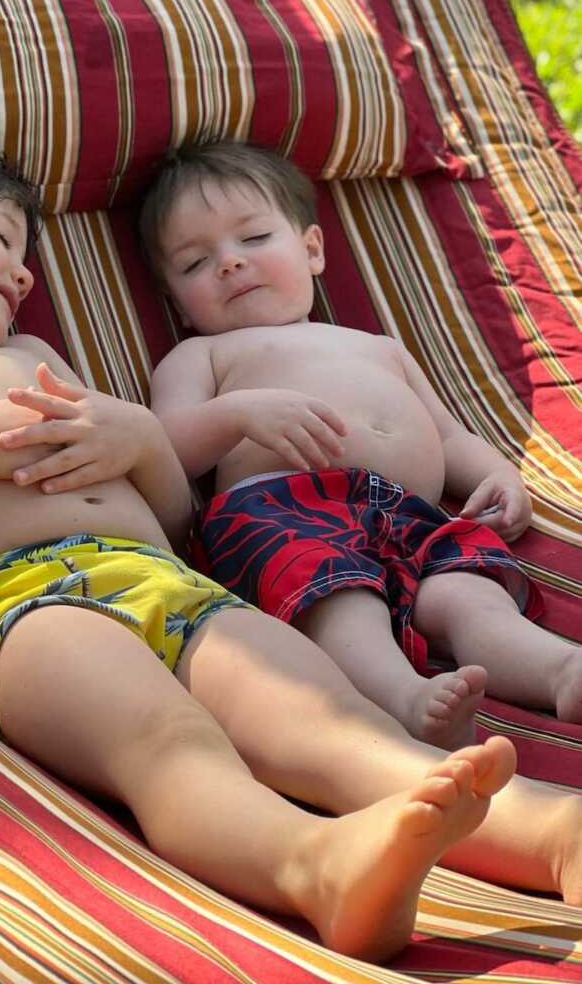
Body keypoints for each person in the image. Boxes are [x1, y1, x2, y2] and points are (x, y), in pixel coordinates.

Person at [0, 123, 581, 965]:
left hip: (172, 580)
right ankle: (313, 866)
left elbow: (179, 526)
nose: (25, 273)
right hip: (22, 608)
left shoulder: (32, 350)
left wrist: (138, 439)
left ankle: (552, 834)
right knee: (167, 743)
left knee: (337, 724)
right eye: (1, 238)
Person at [142, 140, 582, 753]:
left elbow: (448, 434)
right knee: (340, 601)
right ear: (178, 306)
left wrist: (500, 473)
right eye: (194, 263)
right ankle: (405, 700)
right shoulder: (202, 354)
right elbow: (162, 449)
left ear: (313, 249)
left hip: (411, 514)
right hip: (284, 513)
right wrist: (238, 413)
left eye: (253, 238)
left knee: (471, 598)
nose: (229, 264)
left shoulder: (378, 345)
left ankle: (561, 672)